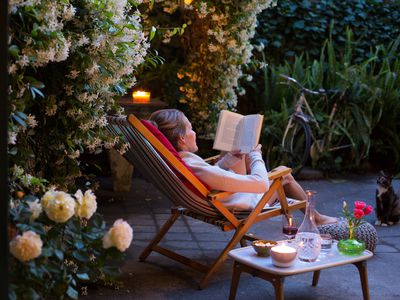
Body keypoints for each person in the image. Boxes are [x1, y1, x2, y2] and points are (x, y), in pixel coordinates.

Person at [149, 109, 336, 225]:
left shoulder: (183, 163)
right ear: (181, 138)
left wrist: (231, 158)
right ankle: (316, 219)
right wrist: (256, 155)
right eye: (190, 128)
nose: (194, 132)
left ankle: (315, 217)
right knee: (284, 175)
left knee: (240, 150)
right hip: (239, 205)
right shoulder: (193, 166)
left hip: (221, 198)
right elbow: (261, 184)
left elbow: (212, 177)